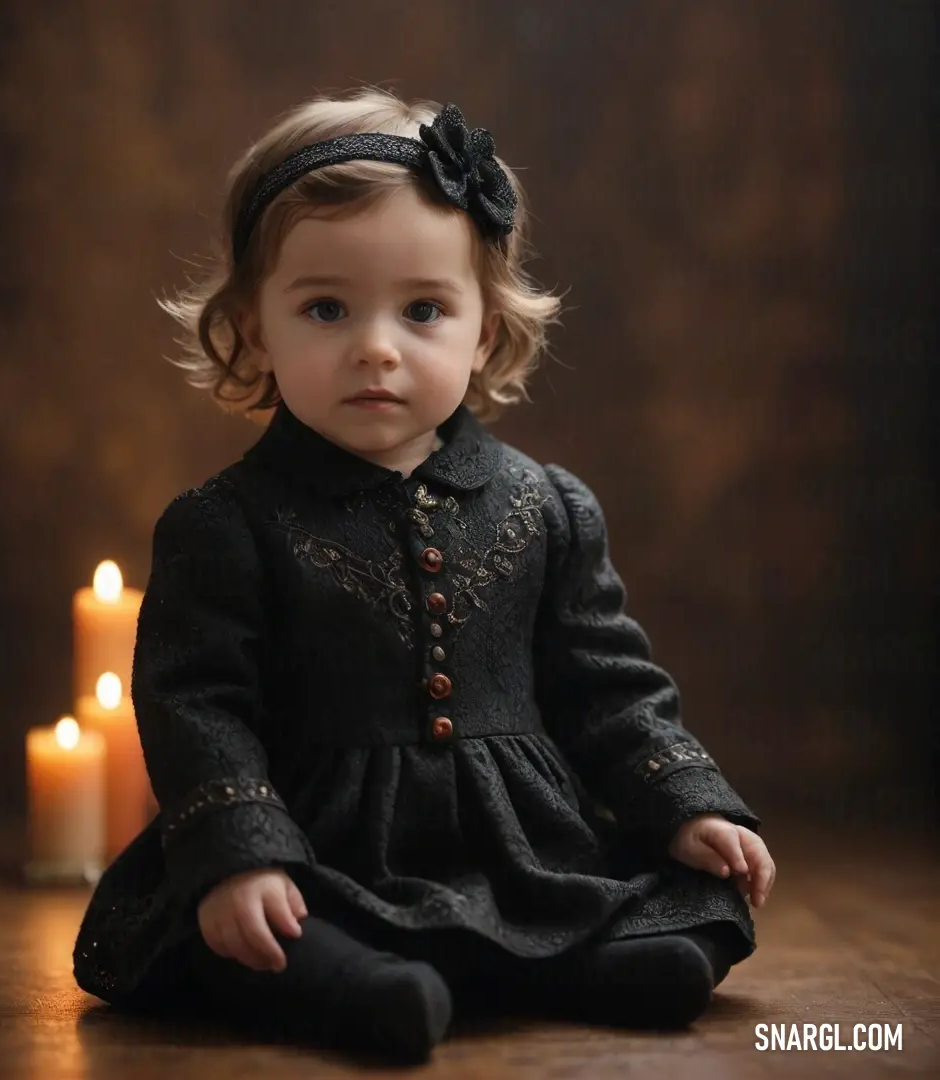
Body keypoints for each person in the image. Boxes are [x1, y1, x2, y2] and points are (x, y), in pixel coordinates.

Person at [73, 87, 776, 1065]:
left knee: (695, 904)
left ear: (483, 331)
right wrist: (241, 855)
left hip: (520, 849)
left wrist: (685, 801)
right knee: (235, 925)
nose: (376, 347)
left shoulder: (545, 506)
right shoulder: (227, 525)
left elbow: (608, 686)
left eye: (424, 310)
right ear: (253, 327)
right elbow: (199, 707)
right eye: (325, 307)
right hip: (323, 852)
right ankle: (356, 987)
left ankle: (576, 964)